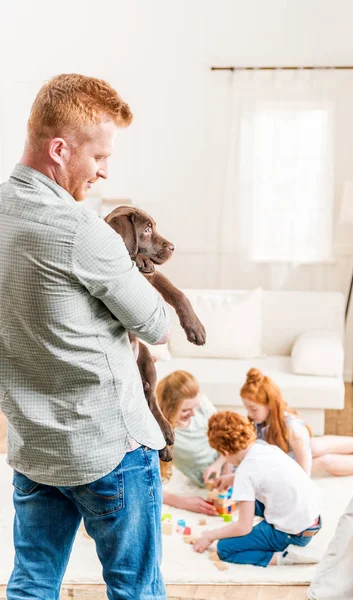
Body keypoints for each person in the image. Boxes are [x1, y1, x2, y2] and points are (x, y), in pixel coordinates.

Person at [0, 74, 170, 600]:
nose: (103, 171)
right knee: (135, 590)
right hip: (109, 451)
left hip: (34, 447)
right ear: (59, 149)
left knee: (30, 584)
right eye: (99, 156)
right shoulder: (82, 230)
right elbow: (158, 325)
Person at [193, 411, 322, 566]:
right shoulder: (265, 448)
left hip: (293, 534)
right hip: (312, 520)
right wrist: (231, 478)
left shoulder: (244, 473)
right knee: (251, 497)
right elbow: (264, 473)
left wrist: (210, 535)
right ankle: (271, 533)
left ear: (225, 452)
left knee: (224, 548)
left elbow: (244, 527)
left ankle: (285, 557)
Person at [241, 368, 353, 476]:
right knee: (317, 450)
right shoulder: (258, 421)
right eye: (247, 408)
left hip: (293, 464)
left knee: (321, 457)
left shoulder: (292, 428)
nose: (249, 414)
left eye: (253, 409)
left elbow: (304, 473)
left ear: (270, 404)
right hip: (287, 459)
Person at [157, 370, 232, 516]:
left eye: (195, 406)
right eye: (185, 410)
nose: (193, 413)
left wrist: (222, 465)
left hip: (230, 462)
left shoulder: (202, 405)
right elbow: (144, 484)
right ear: (169, 409)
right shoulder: (160, 431)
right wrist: (181, 502)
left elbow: (229, 439)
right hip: (208, 481)